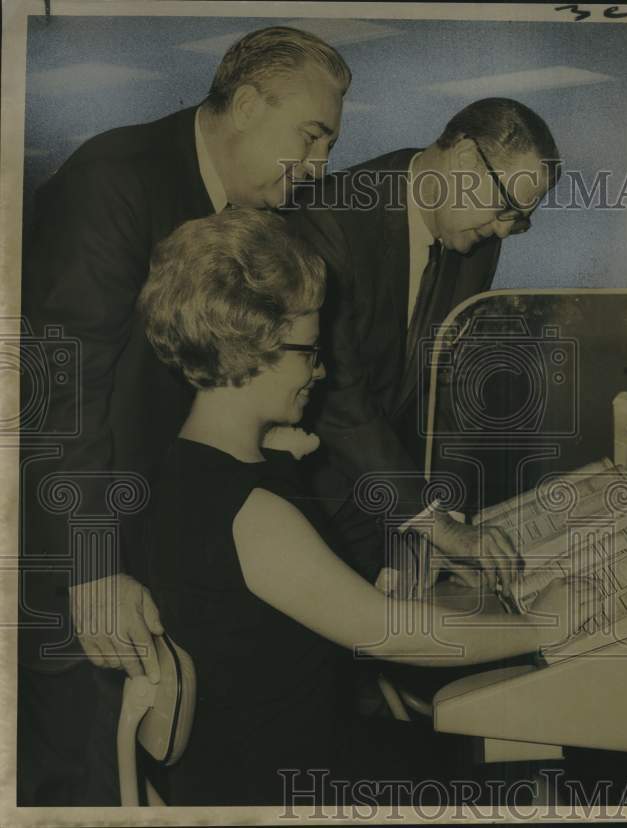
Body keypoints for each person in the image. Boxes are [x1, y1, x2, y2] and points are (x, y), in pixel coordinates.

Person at [138, 208, 592, 806]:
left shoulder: (184, 468)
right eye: (309, 350)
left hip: (243, 764)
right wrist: (549, 624)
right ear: (251, 349)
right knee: (523, 773)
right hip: (279, 785)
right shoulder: (249, 509)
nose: (321, 370)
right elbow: (385, 636)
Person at [18, 26, 349, 805]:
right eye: (312, 135)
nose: (321, 164)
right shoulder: (116, 182)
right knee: (94, 785)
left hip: (144, 538)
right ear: (243, 104)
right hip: (76, 555)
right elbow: (57, 393)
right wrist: (93, 565)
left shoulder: (240, 213)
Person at [285, 98, 562, 588]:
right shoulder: (332, 217)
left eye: (519, 220)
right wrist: (436, 526)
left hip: (391, 497)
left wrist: (445, 514)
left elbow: (448, 380)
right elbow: (338, 396)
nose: (503, 230)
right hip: (306, 495)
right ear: (463, 158)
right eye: (505, 209)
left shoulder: (474, 234)